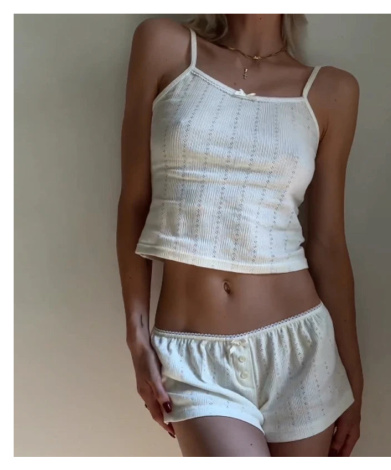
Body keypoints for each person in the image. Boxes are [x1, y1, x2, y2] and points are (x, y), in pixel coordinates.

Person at [116, 14, 363, 457]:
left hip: (303, 351)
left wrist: (353, 379)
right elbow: (135, 199)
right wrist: (136, 336)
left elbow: (327, 244)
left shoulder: (333, 90)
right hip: (196, 358)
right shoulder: (164, 45)